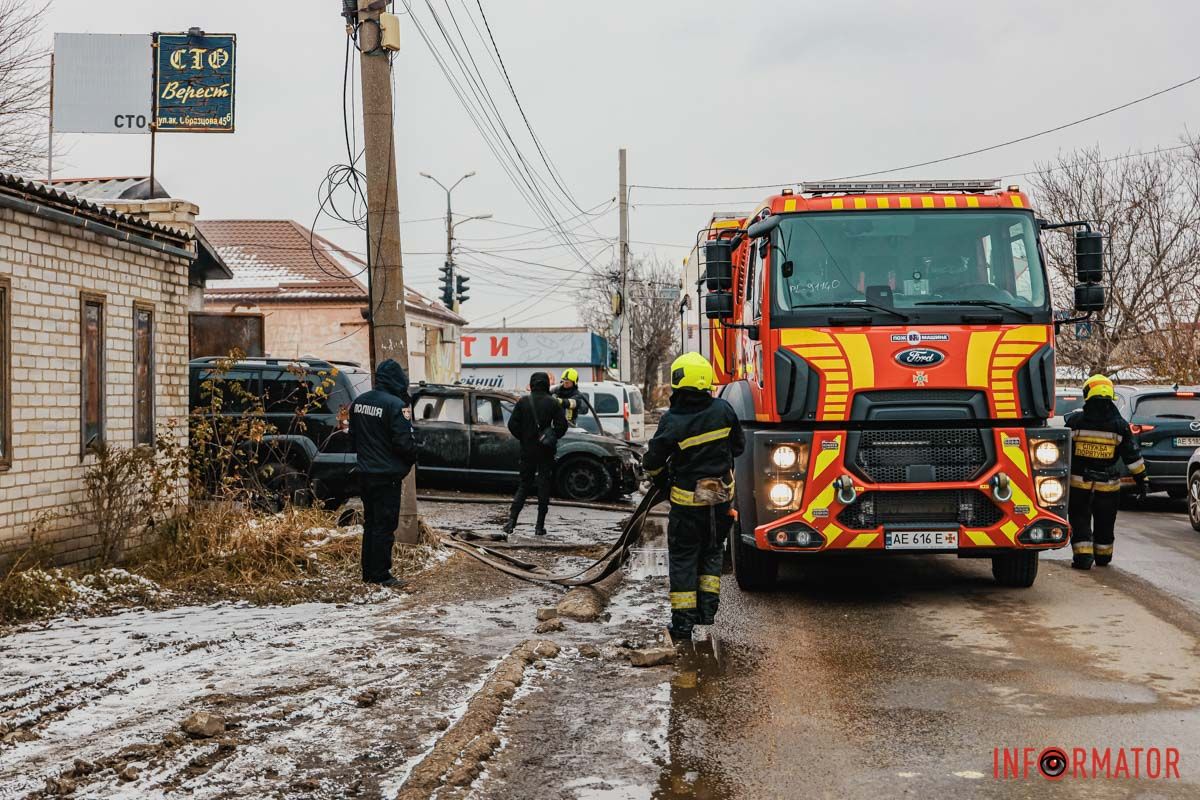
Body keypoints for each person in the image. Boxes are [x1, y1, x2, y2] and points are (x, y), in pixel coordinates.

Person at [641, 352, 745, 641]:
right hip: (721, 498)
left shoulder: (672, 420)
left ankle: (683, 624)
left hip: (688, 504)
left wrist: (662, 479)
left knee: (684, 558)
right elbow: (739, 447)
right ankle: (707, 611)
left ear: (679, 381)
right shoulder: (724, 410)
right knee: (712, 551)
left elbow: (652, 463)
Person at [1065, 374, 1147, 570]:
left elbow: (1062, 452)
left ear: (1087, 394)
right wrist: (1142, 480)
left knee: (1079, 517)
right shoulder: (1119, 425)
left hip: (1078, 483)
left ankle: (1083, 557)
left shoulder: (1076, 422)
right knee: (1105, 520)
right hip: (1108, 485)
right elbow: (1132, 456)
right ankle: (1103, 556)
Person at [349, 358, 419, 587]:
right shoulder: (395, 405)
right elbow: (403, 444)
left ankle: (368, 572)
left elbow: (353, 439)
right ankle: (381, 575)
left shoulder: (359, 402)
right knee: (385, 526)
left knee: (370, 524)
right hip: (386, 475)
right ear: (398, 379)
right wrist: (415, 454)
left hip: (364, 473)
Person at [502, 372, 569, 538]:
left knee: (524, 485)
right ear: (546, 384)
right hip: (545, 451)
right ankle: (539, 526)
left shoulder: (523, 402)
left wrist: (524, 438)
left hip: (527, 450)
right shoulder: (553, 403)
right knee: (544, 486)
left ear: (532, 384)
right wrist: (551, 436)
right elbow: (562, 426)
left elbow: (512, 425)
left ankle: (511, 521)